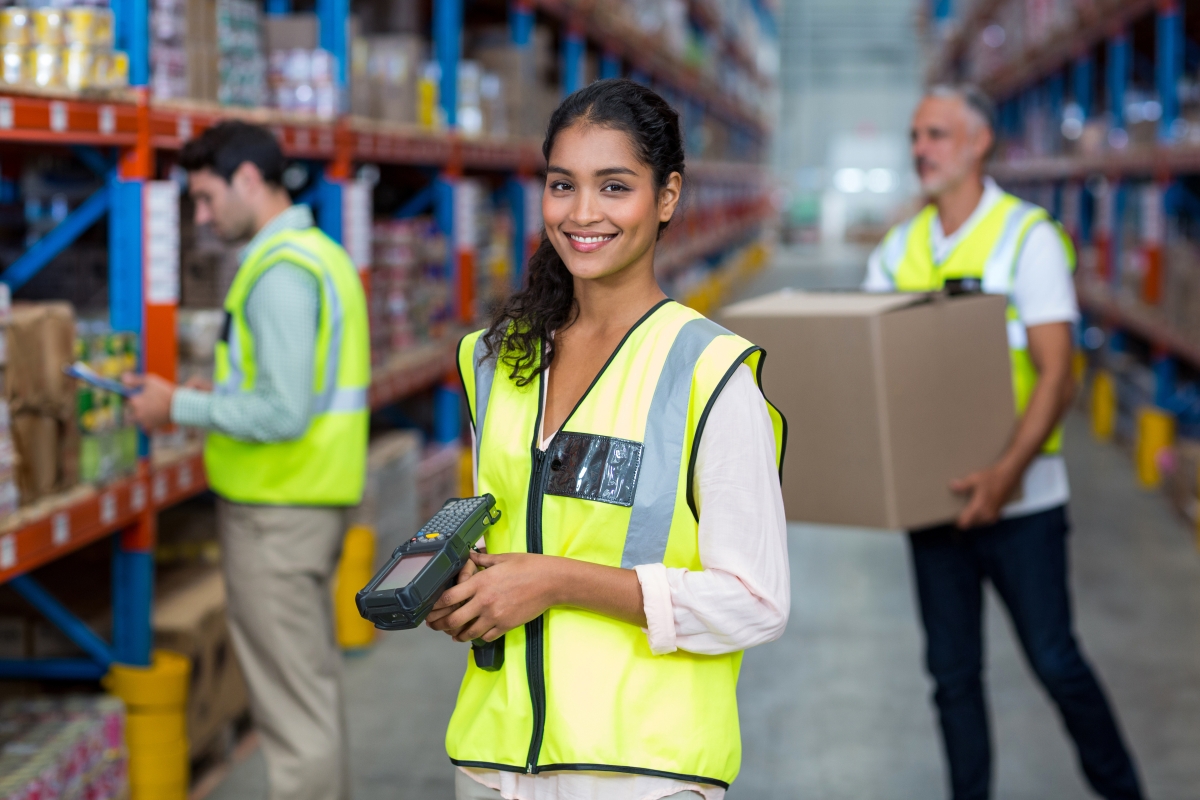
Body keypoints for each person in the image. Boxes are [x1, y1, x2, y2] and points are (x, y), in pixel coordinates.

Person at [426, 78, 790, 800]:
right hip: (493, 762)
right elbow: (514, 527)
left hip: (639, 772)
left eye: (614, 186)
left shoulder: (708, 374)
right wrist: (467, 587)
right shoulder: (496, 360)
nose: (582, 213)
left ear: (667, 197)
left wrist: (557, 580)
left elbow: (756, 601)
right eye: (563, 186)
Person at [863, 85, 1143, 800]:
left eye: (937, 134)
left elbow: (1058, 376)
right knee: (952, 677)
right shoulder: (897, 252)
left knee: (1056, 661)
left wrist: (1003, 475)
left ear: (981, 141)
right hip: (933, 504)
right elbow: (872, 373)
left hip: (1024, 502)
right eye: (915, 136)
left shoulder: (1029, 238)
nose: (921, 149)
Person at [125, 121, 369, 800]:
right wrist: (222, 394)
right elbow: (296, 386)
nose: (201, 218)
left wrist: (177, 407)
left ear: (249, 180)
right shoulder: (315, 253)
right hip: (304, 501)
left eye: (205, 199)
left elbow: (286, 411)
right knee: (307, 693)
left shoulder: (280, 272)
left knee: (294, 716)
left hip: (279, 511)